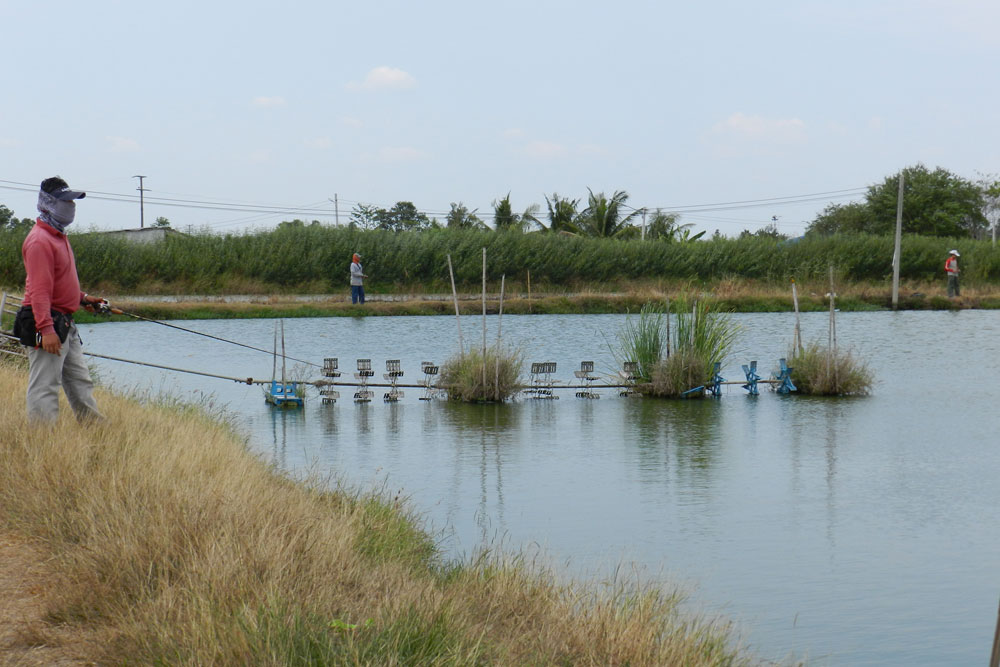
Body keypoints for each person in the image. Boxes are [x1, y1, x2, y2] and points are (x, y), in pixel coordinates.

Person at [20, 176, 106, 423]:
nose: (71, 207)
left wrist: (82, 298)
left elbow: (56, 283)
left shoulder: (58, 236)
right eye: (65, 201)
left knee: (80, 381)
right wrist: (46, 329)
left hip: (64, 322)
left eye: (72, 202)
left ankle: (96, 429)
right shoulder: (39, 241)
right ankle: (42, 442)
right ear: (47, 203)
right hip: (46, 322)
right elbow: (39, 291)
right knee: (45, 385)